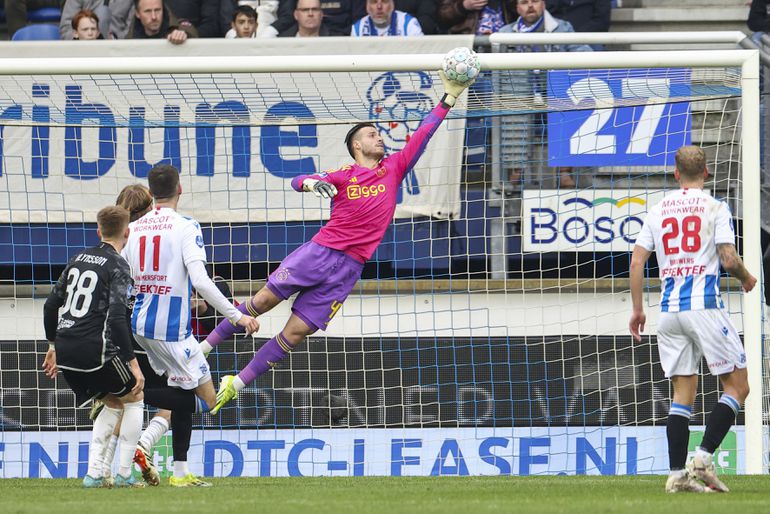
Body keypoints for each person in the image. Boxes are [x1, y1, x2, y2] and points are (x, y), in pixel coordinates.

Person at [199, 68, 474, 414]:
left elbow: (423, 134)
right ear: (357, 145)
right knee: (263, 301)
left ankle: (233, 385)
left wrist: (448, 98)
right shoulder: (344, 174)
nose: (380, 138)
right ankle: (202, 350)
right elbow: (298, 179)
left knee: (297, 333)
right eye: (373, 134)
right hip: (320, 251)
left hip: (349, 268)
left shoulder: (394, 167)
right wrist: (312, 184)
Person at [628, 145, 756, 493]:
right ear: (707, 173)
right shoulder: (716, 208)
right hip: (704, 308)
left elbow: (637, 262)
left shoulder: (658, 210)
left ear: (675, 174)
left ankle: (675, 475)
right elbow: (727, 258)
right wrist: (745, 277)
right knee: (739, 385)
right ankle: (701, 459)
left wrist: (638, 309)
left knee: (683, 393)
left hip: (669, 313)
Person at [122, 165, 259, 485]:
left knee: (179, 387)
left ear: (151, 191)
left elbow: (126, 279)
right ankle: (126, 392)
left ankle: (181, 472)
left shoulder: (136, 228)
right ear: (180, 189)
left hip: (140, 325)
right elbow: (202, 280)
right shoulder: (186, 226)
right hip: (171, 330)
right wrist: (237, 315)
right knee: (210, 399)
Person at [42, 205, 146, 488]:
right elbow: (116, 317)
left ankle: (94, 474)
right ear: (127, 231)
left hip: (65, 348)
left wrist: (53, 345)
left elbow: (51, 305)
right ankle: (125, 473)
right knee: (135, 395)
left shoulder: (77, 258)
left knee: (111, 402)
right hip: (94, 350)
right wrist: (133, 364)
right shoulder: (118, 265)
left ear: (99, 231)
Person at [498, 0, 591, 189]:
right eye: (524, 2)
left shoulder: (563, 28)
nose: (530, 6)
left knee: (567, 107)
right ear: (517, 8)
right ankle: (516, 170)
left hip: (556, 92)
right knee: (511, 107)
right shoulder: (506, 33)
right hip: (520, 94)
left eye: (535, 1)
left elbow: (586, 54)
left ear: (544, 4)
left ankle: (564, 171)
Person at [273, 0, 365, 36]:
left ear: (321, 14)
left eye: (315, 9)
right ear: (296, 15)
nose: (310, 14)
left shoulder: (336, 40)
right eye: (305, 10)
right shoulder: (283, 40)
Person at [127, 0, 198, 43]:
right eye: (147, 11)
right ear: (137, 14)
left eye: (157, 10)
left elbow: (191, 31)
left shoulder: (178, 28)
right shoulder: (129, 40)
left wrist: (184, 35)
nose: (154, 17)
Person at [60, 0, 134, 39]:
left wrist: (115, 40)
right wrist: (81, 40)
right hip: (82, 47)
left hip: (117, 49)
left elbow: (131, 28)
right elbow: (66, 27)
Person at [437, 0, 514, 35]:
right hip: (470, 43)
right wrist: (463, 6)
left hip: (503, 41)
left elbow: (520, 8)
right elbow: (443, 15)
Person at [351, 0, 423, 36]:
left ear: (392, 4)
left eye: (384, 1)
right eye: (374, 2)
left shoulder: (408, 24)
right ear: (367, 6)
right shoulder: (358, 28)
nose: (379, 6)